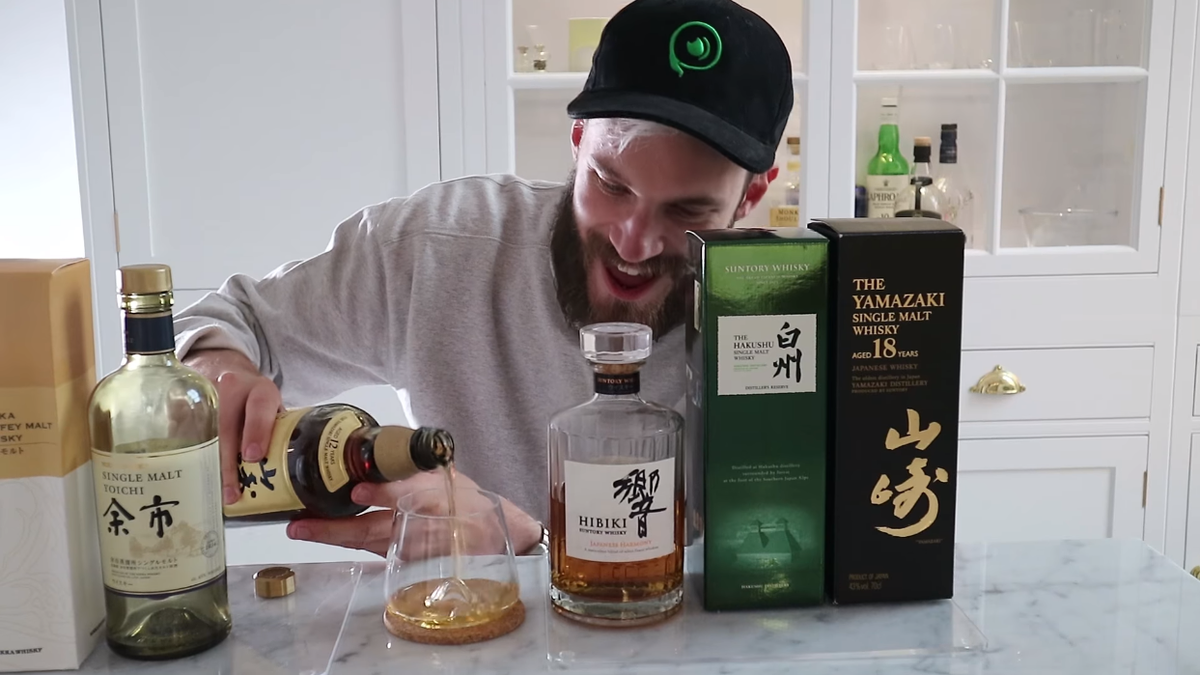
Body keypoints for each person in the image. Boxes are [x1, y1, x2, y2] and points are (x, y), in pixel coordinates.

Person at [175, 0, 794, 558]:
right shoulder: (439, 247)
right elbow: (226, 320)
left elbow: (774, 563)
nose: (634, 243)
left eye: (686, 211)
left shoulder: (783, 316)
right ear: (578, 143)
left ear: (750, 197)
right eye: (611, 185)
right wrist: (214, 369)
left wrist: (527, 543)